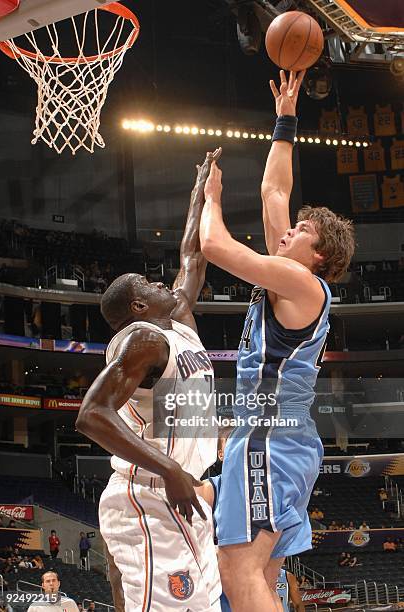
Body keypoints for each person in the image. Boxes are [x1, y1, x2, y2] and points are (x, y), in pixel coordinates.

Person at [200, 69, 355, 612]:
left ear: (319, 257)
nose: (290, 230)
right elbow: (274, 190)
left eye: (302, 232)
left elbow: (215, 247)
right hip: (284, 440)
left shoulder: (300, 282)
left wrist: (209, 200)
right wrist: (285, 120)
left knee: (236, 570)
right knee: (261, 578)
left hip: (270, 438)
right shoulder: (288, 279)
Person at [76, 150, 222, 611]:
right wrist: (172, 470)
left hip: (186, 493)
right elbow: (91, 415)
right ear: (138, 307)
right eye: (147, 284)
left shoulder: (176, 324)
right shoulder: (140, 338)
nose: (161, 284)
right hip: (152, 494)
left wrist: (201, 194)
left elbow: (192, 256)